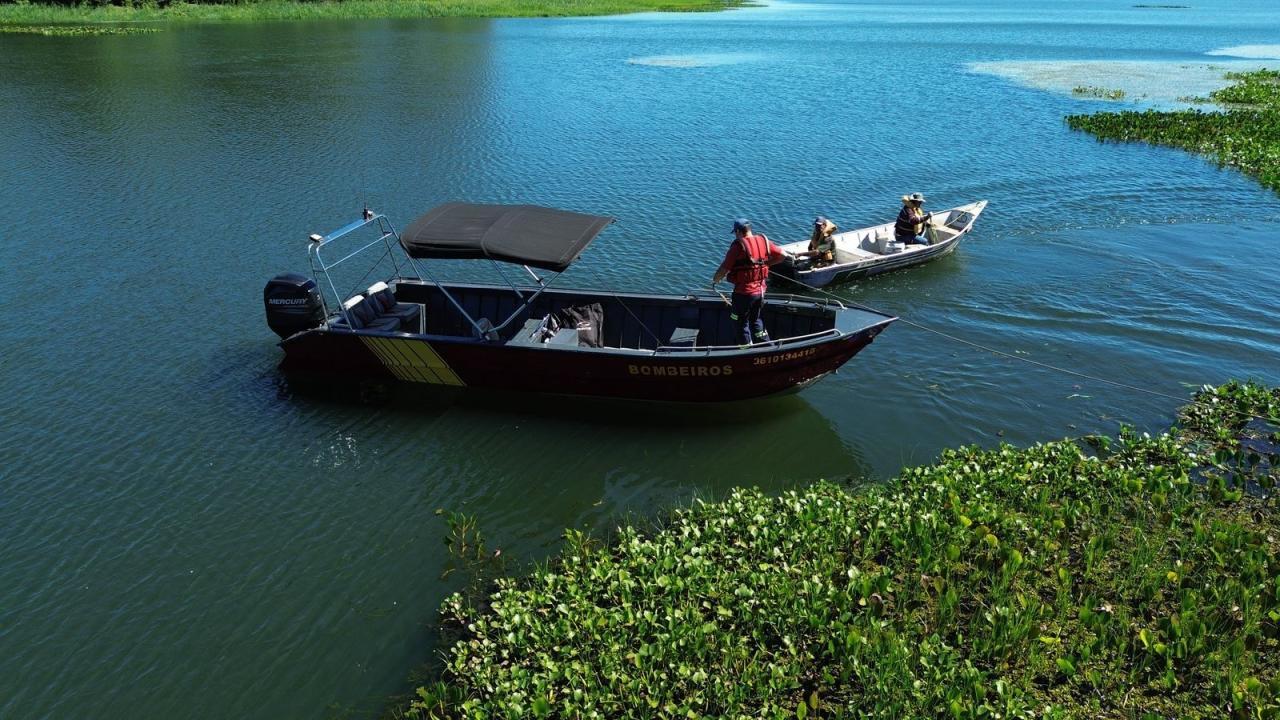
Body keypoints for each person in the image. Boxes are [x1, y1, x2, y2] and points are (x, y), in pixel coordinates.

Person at [712, 218, 786, 346]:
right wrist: (767, 264)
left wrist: (715, 280)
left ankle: (746, 352)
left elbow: (724, 269)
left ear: (739, 231)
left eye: (735, 232)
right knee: (756, 320)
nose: (735, 235)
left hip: (744, 294)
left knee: (739, 322)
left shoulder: (738, 246)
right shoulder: (764, 241)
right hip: (761, 292)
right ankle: (768, 348)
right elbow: (783, 255)